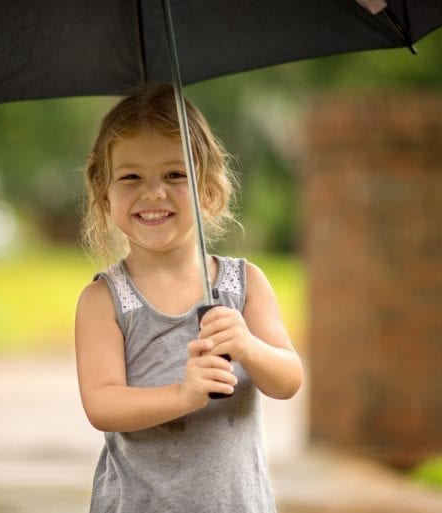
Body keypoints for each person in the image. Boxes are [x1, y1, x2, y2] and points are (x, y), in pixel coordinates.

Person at [74, 82, 303, 513]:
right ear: (105, 194)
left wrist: (247, 346)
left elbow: (288, 379)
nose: (153, 193)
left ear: (209, 189)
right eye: (131, 177)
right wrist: (183, 395)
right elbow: (102, 404)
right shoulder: (104, 300)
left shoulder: (243, 285)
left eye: (175, 175)